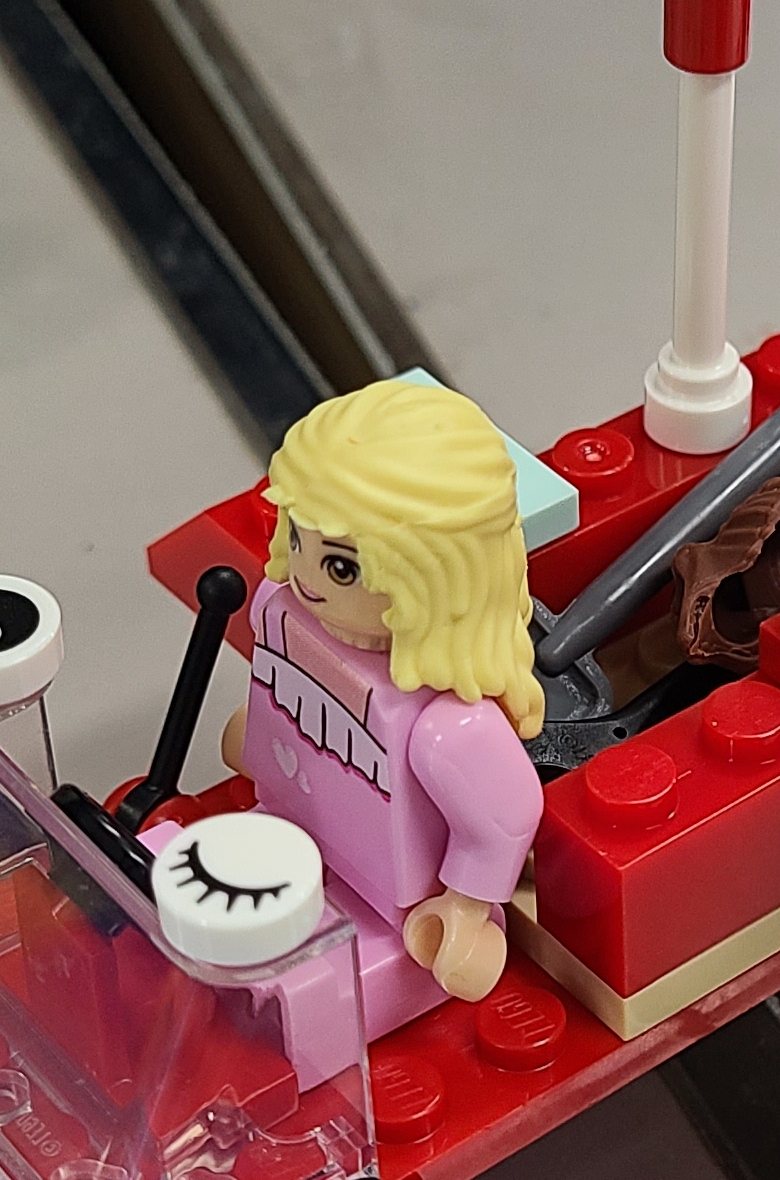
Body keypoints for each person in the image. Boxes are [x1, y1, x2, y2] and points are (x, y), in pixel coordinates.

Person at [226, 379, 546, 1058]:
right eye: (300, 540)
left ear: (432, 578)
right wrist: (259, 737)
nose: (307, 576)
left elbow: (508, 814)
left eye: (343, 567)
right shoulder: (279, 612)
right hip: (282, 831)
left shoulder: (443, 726)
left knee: (277, 1013)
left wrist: (465, 906)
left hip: (392, 915)